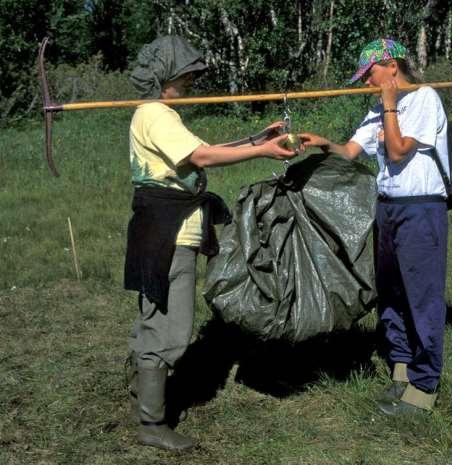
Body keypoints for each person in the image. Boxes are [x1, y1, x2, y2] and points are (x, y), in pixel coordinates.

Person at [124, 35, 297, 452]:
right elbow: (202, 158)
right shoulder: (156, 114)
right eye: (184, 75)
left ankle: (141, 395)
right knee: (173, 331)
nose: (189, 83)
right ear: (165, 76)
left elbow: (201, 151)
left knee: (157, 319)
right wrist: (261, 153)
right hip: (168, 234)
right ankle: (151, 421)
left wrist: (258, 139)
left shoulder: (160, 113)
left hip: (161, 230)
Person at [300, 38, 449, 415]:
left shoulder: (424, 99)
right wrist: (321, 143)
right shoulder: (376, 108)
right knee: (392, 293)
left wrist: (389, 105)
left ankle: (424, 385)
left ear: (391, 68)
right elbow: (350, 151)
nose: (366, 81)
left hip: (420, 208)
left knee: (422, 295)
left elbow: (398, 150)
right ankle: (401, 369)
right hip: (387, 208)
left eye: (370, 73)